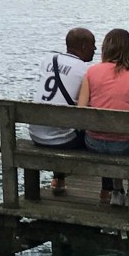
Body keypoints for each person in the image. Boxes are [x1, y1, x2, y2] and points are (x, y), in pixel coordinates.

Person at [79, 27, 129, 206]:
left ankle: (117, 191)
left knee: (109, 137)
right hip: (123, 146)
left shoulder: (91, 72)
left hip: (93, 142)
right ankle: (125, 191)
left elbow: (81, 108)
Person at [28, 27, 97, 193]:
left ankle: (58, 180)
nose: (95, 49)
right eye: (93, 45)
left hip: (36, 134)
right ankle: (109, 189)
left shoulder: (48, 60)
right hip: (63, 140)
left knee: (61, 122)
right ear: (83, 47)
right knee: (99, 135)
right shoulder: (85, 71)